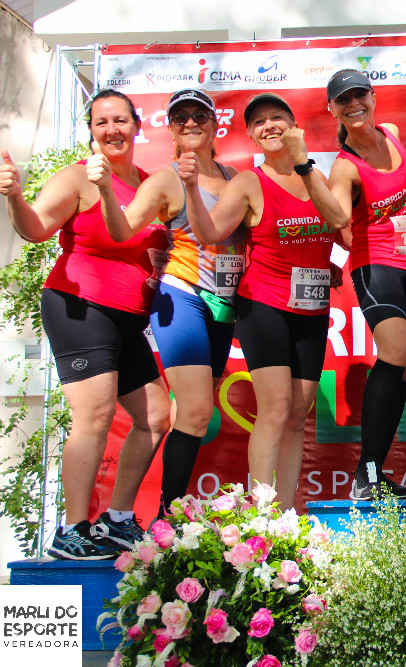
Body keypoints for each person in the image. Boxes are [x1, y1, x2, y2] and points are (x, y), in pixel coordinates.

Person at [0, 89, 171, 559]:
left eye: (120, 121)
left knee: (156, 416)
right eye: (101, 123)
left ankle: (116, 520)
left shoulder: (149, 182)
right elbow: (35, 228)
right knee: (93, 417)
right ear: (91, 132)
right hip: (79, 306)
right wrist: (15, 195)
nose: (112, 130)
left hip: (128, 317)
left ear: (138, 126)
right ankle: (72, 528)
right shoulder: (78, 177)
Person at [183, 93, 345, 510]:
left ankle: (289, 513)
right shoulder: (249, 182)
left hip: (312, 309)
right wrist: (189, 190)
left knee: (298, 413)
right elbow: (210, 233)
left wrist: (329, 266)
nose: (269, 126)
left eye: (277, 118)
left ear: (294, 127)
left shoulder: (317, 177)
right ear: (252, 137)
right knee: (275, 409)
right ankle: (261, 514)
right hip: (264, 306)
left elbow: (341, 228)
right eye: (258, 123)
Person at [99, 89, 244, 517]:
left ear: (216, 122)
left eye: (199, 114)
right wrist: (107, 188)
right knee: (197, 411)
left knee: (193, 415)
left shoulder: (234, 177)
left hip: (225, 305)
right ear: (170, 128)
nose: (190, 123)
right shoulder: (165, 179)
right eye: (180, 117)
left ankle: (168, 518)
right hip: (182, 297)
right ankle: (169, 518)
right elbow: (123, 230)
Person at [306, 69, 406, 499]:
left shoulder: (392, 132)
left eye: (360, 95)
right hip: (376, 264)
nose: (353, 104)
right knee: (394, 350)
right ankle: (368, 474)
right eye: (343, 100)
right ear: (332, 109)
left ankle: (374, 475)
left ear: (374, 98)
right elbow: (340, 223)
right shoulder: (344, 168)